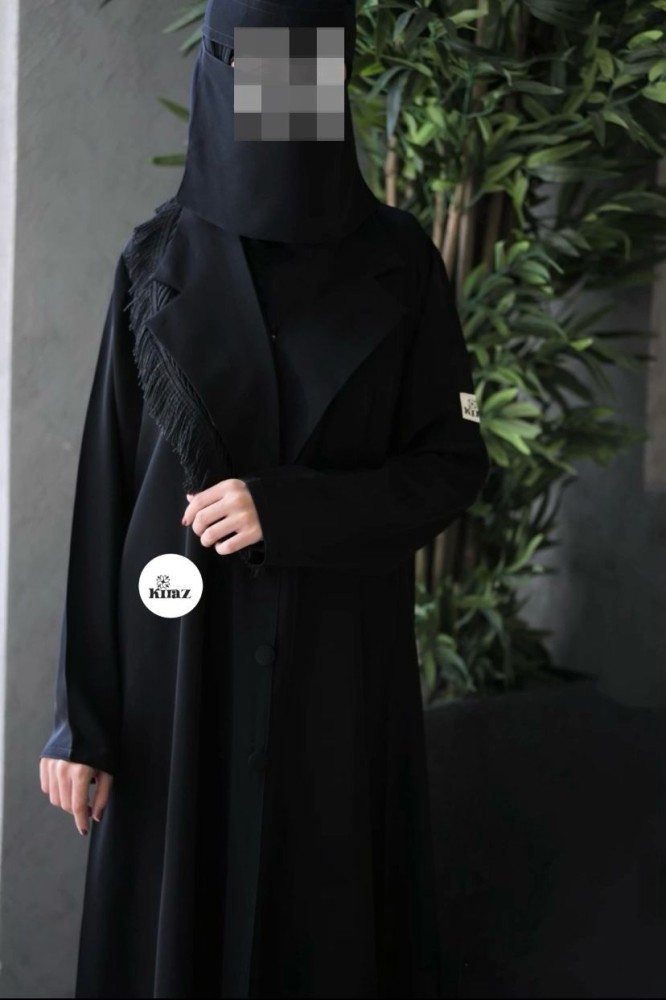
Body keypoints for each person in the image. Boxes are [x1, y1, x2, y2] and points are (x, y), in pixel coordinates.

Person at [39, 0, 490, 996]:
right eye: (251, 71)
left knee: (321, 931)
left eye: (299, 75)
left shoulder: (401, 265)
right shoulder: (155, 263)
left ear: (332, 79)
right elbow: (104, 494)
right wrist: (82, 720)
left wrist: (292, 511)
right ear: (216, 71)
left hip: (334, 680)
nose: (275, 101)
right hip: (175, 684)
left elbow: (453, 463)